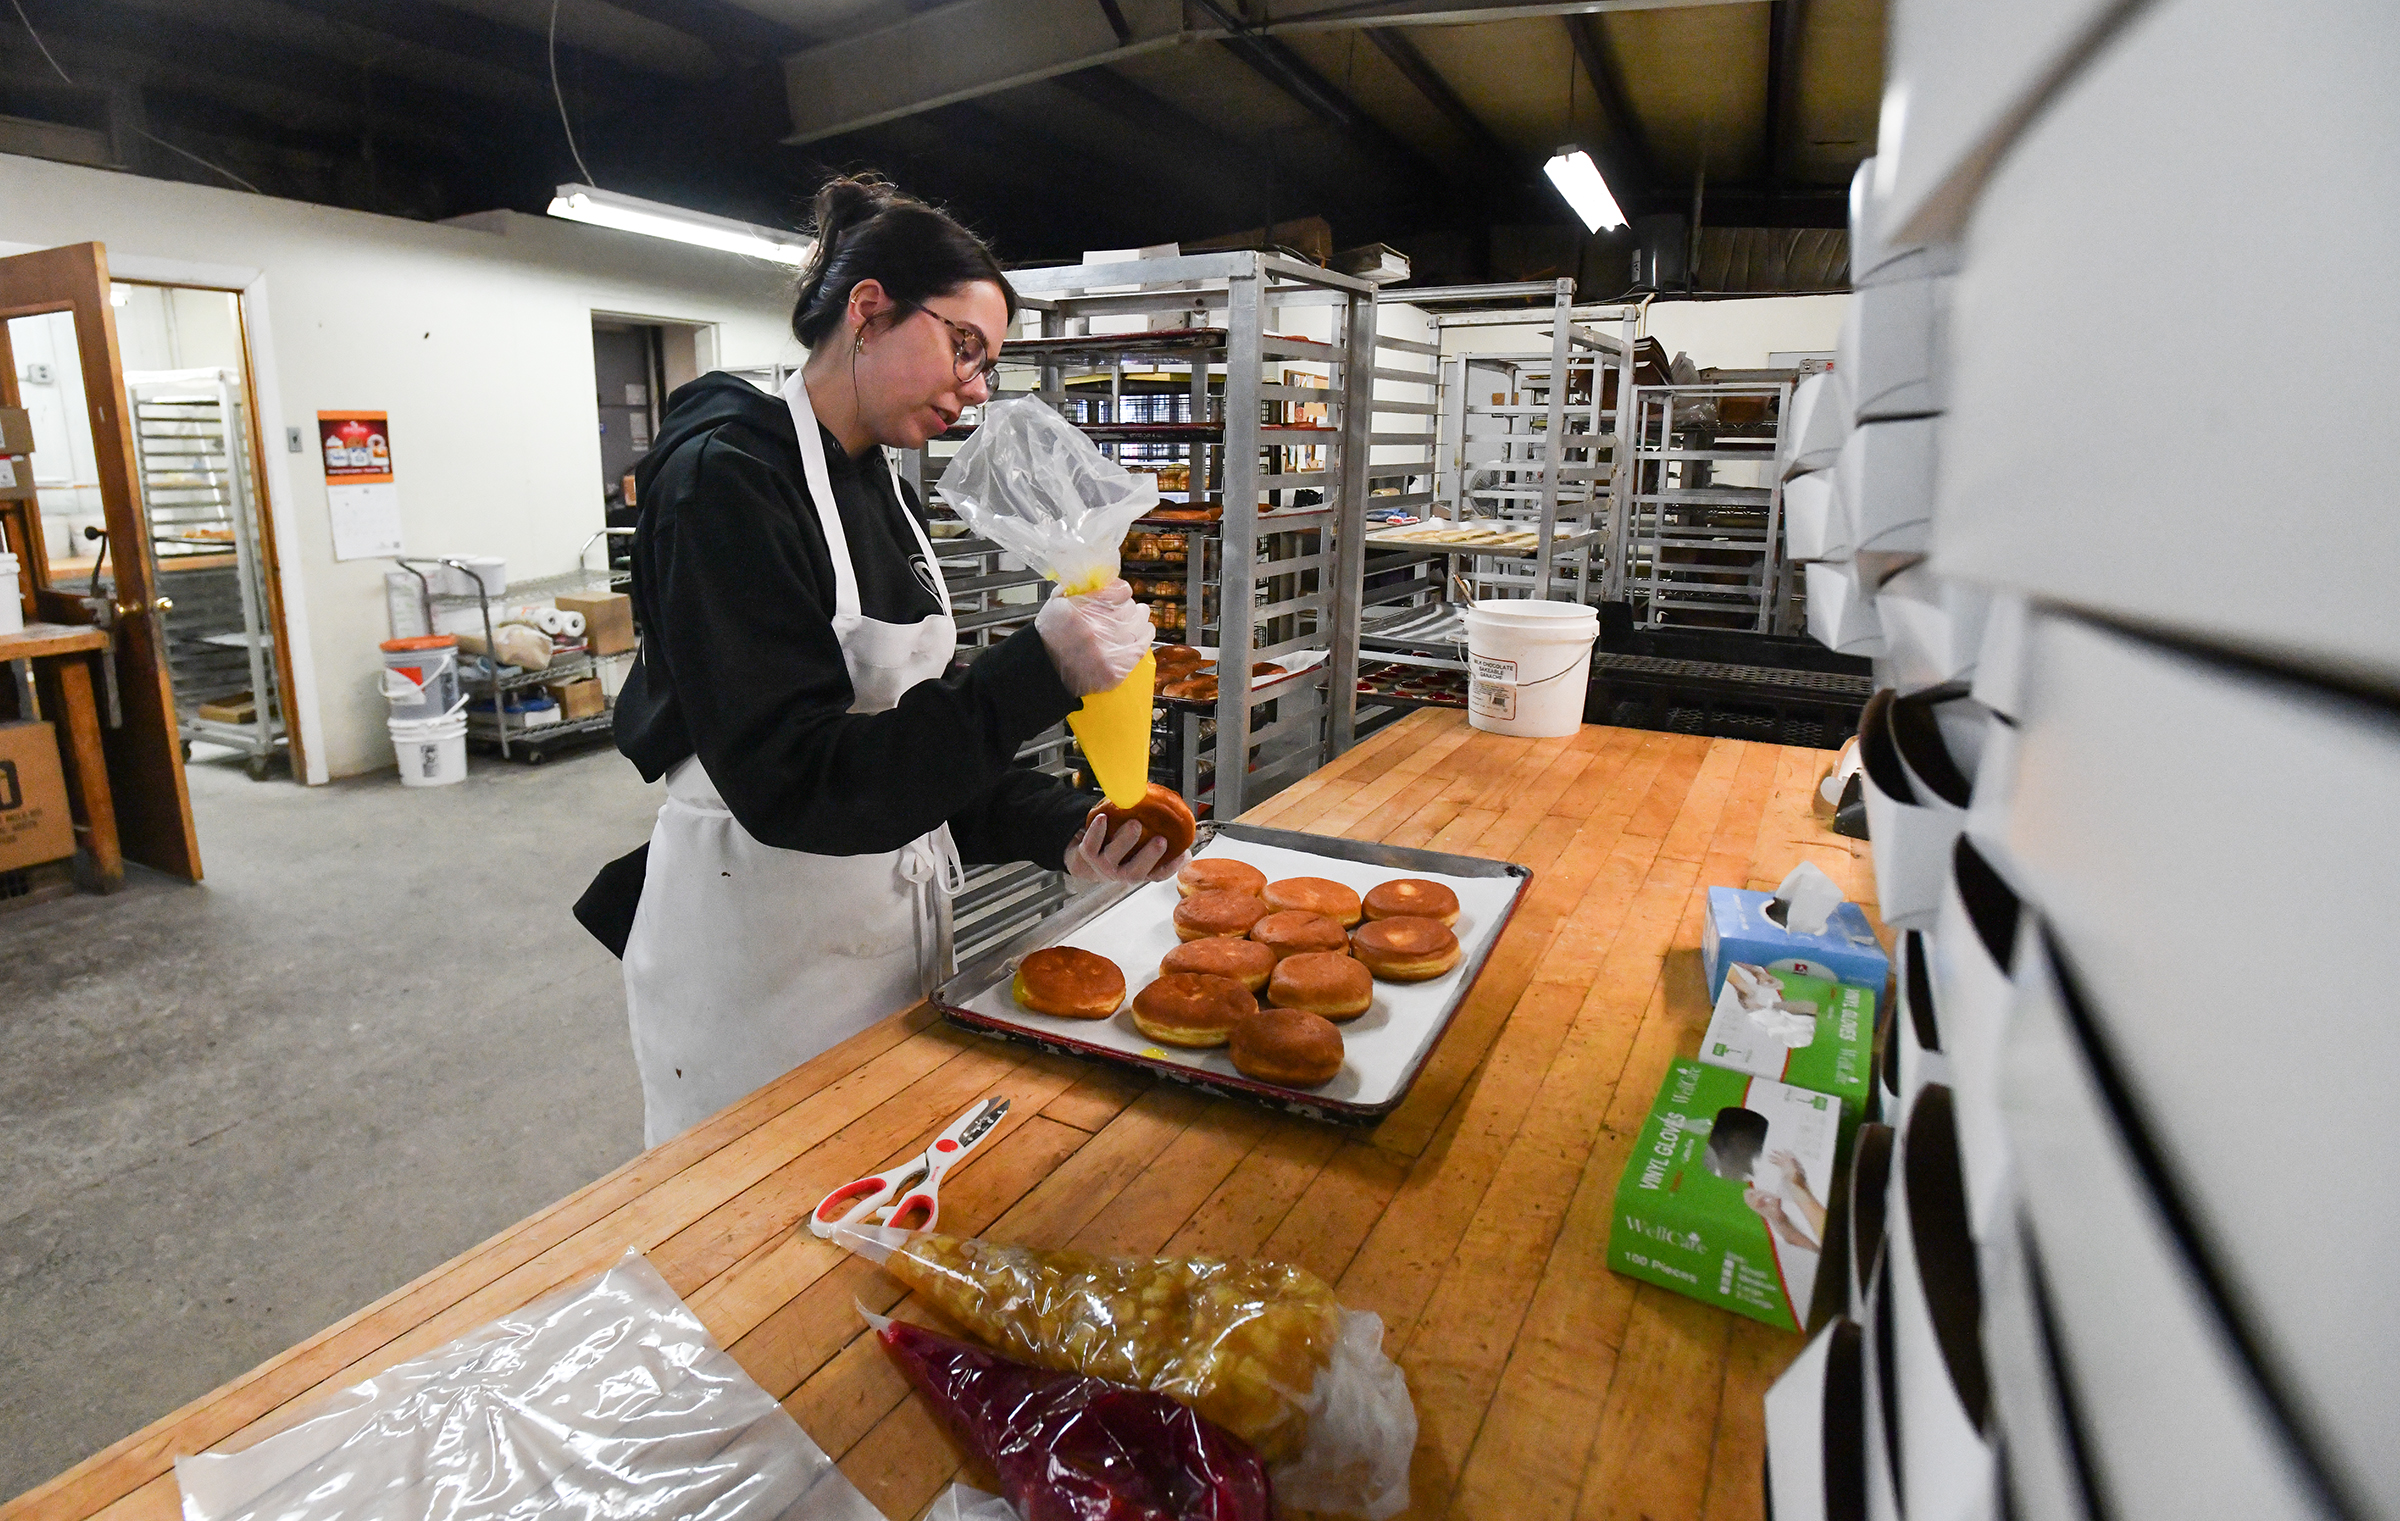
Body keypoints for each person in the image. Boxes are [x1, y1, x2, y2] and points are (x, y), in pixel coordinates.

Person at [575, 176, 1184, 1147]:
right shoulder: (723, 483)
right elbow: (797, 778)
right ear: (869, 311)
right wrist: (1035, 671)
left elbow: (909, 743)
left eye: (990, 364)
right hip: (759, 970)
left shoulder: (876, 485)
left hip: (875, 941)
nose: (979, 387)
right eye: (965, 347)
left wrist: (1062, 829)